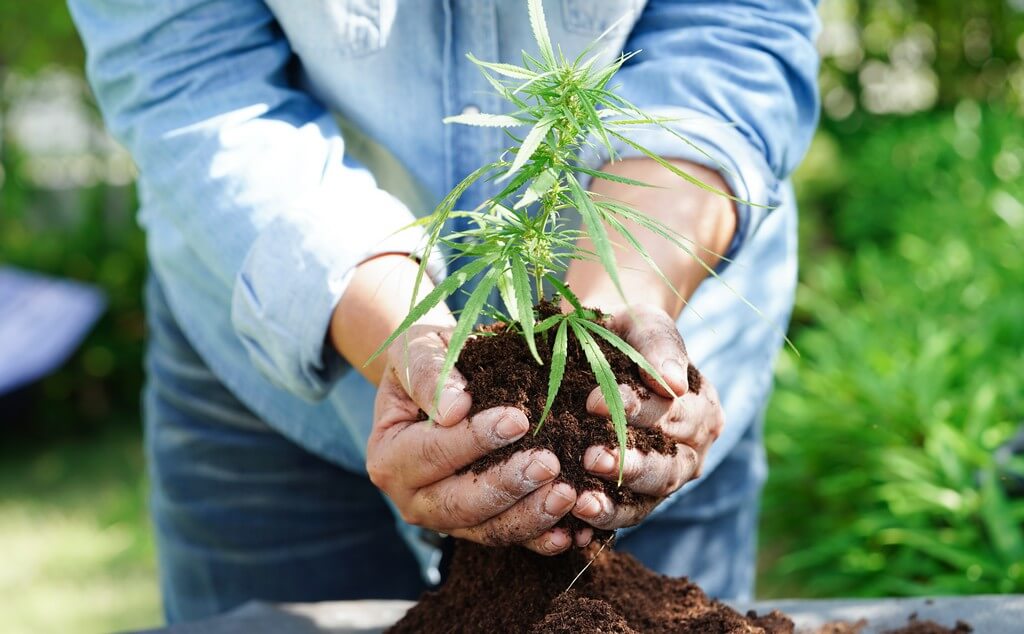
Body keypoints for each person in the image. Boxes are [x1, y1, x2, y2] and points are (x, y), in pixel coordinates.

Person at [68, 0, 820, 623]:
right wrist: (405, 337)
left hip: (654, 384)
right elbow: (187, 72)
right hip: (277, 366)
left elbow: (732, 32)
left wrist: (618, 307)